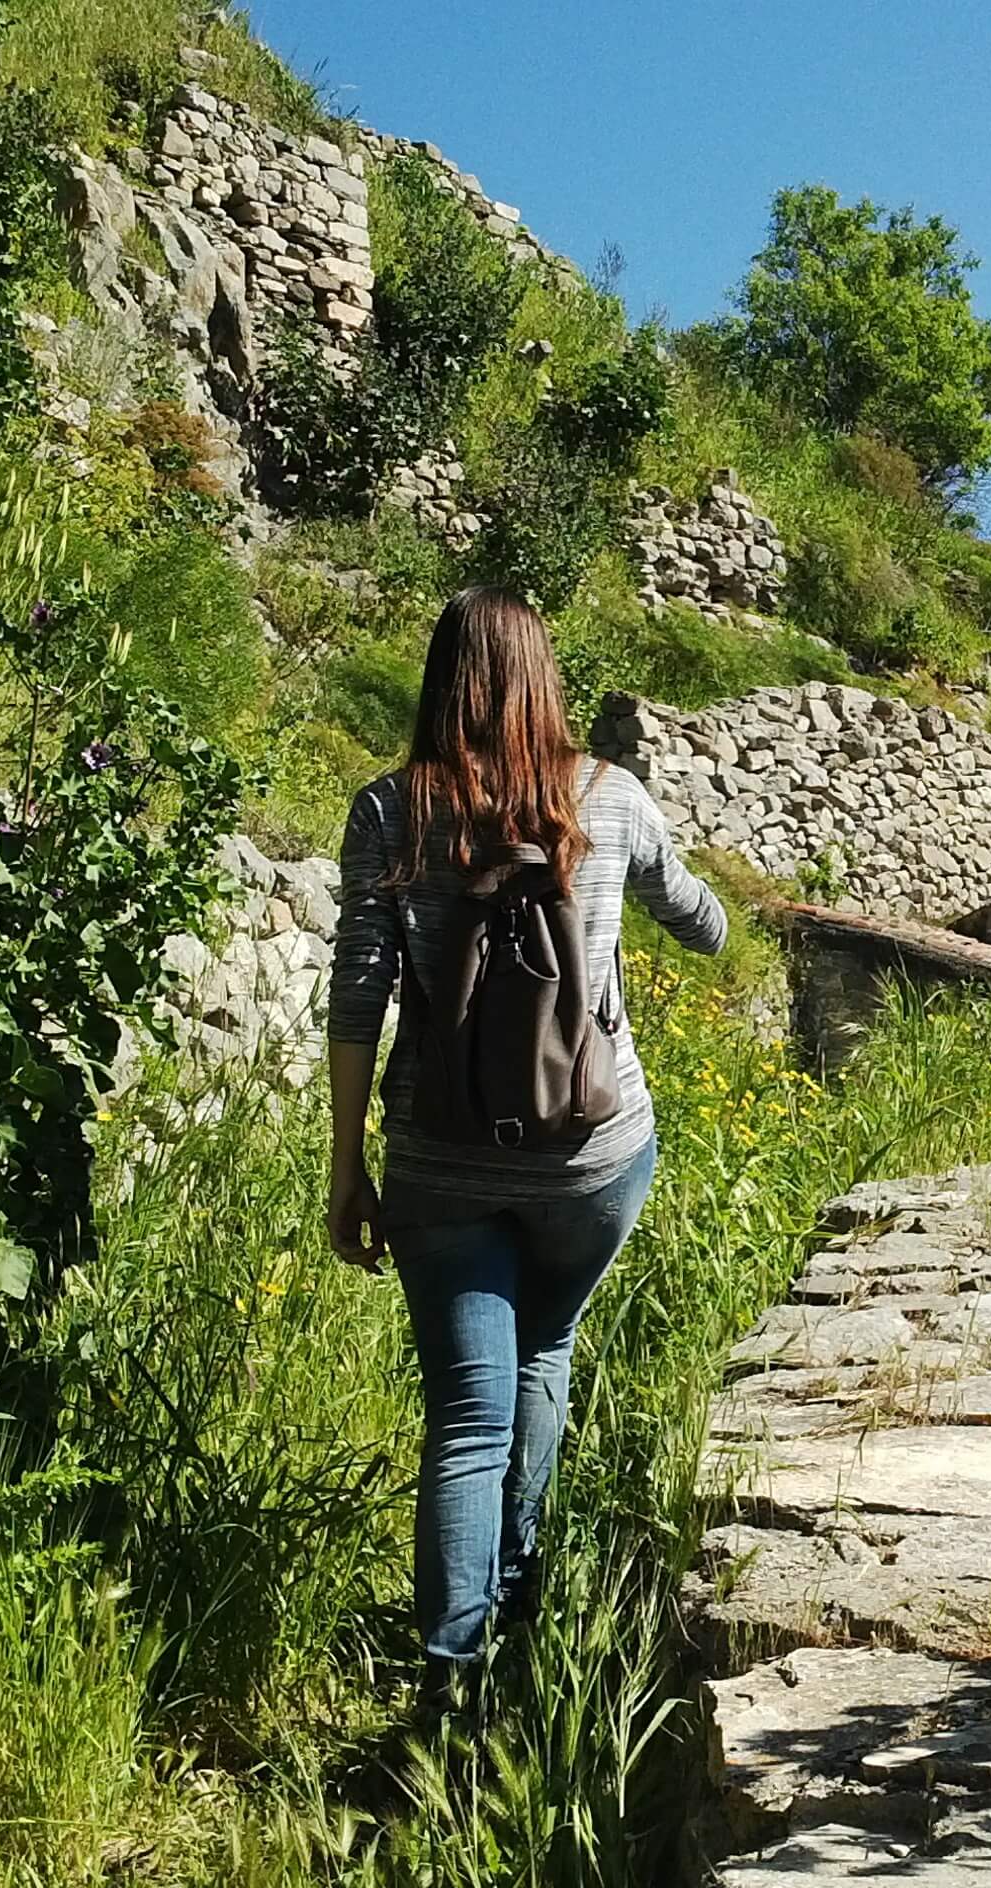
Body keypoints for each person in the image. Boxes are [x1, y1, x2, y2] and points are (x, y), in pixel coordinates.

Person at [323, 585, 726, 1716]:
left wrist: (346, 1165)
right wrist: (678, 898)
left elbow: (360, 995)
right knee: (544, 1353)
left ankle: (448, 1686)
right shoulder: (610, 795)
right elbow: (703, 921)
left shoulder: (389, 811)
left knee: (463, 1414)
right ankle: (520, 1593)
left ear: (442, 676)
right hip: (591, 1157)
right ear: (545, 678)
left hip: (437, 1162)